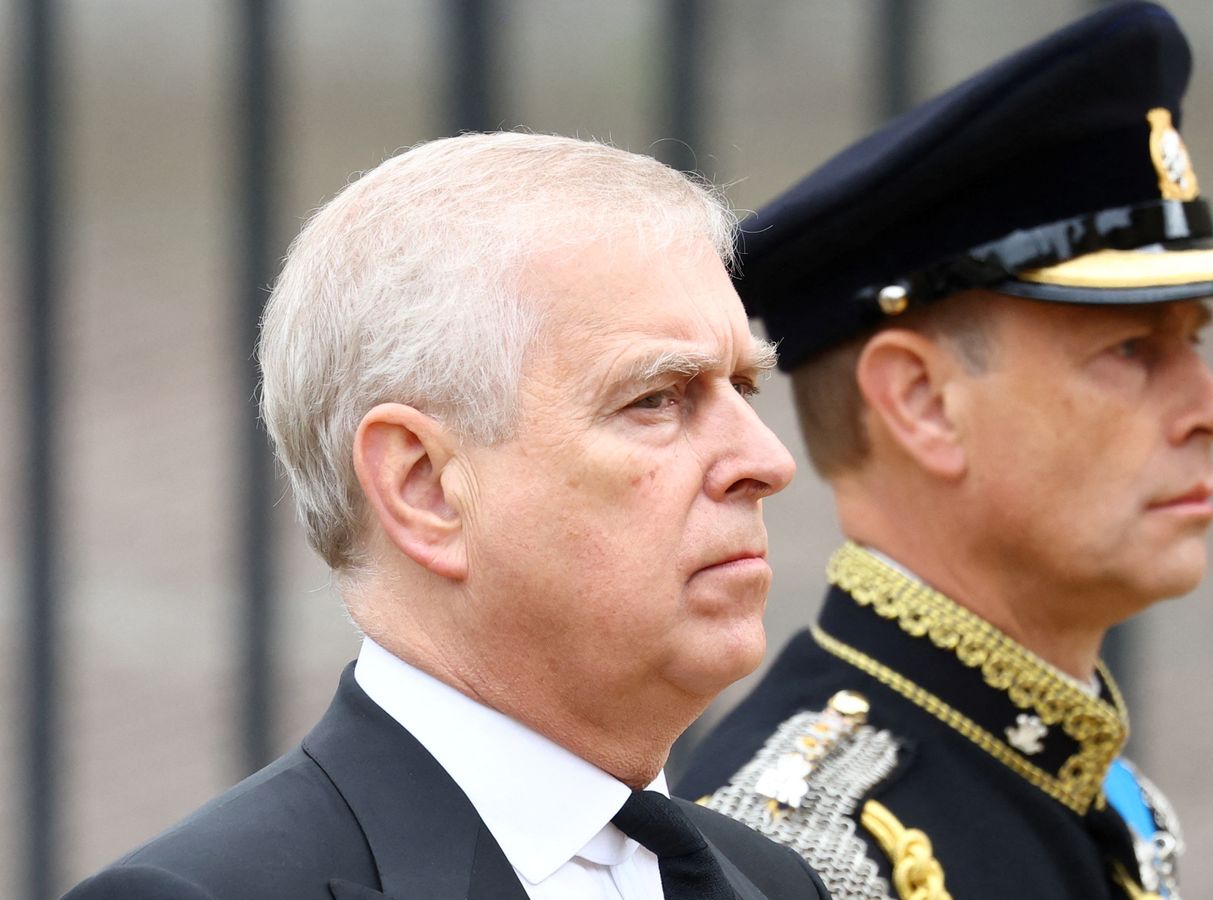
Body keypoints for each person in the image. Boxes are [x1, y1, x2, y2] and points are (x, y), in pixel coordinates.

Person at [64, 133, 831, 900]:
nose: (766, 461)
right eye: (656, 398)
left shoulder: (775, 882)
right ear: (423, 486)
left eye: (743, 387)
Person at [676, 3, 1213, 899]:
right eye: (1130, 351)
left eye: (1192, 343)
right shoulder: (806, 855)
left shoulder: (1094, 790)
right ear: (921, 403)